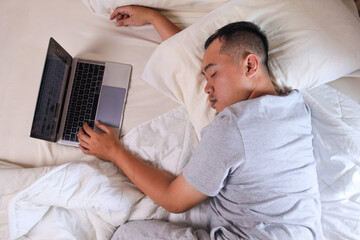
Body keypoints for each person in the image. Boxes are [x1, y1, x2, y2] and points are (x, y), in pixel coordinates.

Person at [78, 5, 323, 240]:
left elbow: (174, 199)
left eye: (213, 74)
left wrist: (114, 151)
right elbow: (198, 64)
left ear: (250, 65)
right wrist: (154, 18)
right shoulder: (296, 107)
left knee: (124, 235)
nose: (207, 87)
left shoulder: (233, 127)